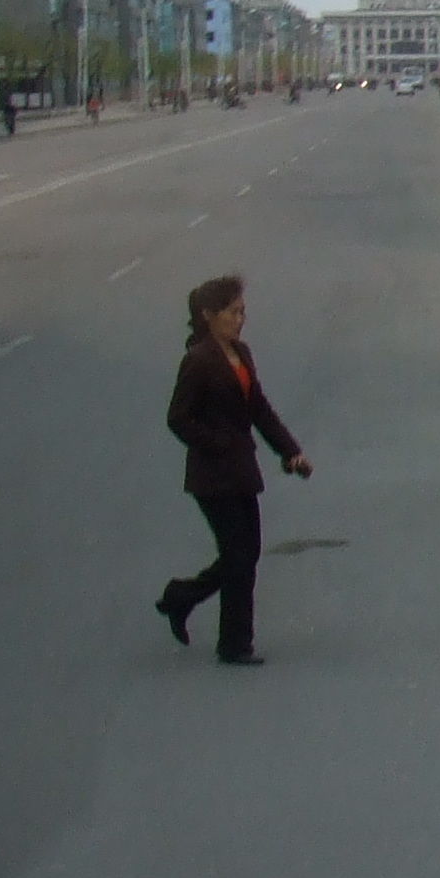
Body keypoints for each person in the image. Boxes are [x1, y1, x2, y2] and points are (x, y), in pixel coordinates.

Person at [156, 274, 311, 666]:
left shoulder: (241, 354)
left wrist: (290, 452)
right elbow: (178, 418)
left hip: (241, 471)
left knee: (246, 553)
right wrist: (217, 443)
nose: (240, 319)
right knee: (239, 555)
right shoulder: (198, 361)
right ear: (209, 315)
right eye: (232, 312)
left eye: (242, 312)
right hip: (212, 477)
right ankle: (233, 641)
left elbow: (259, 409)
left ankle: (185, 601)